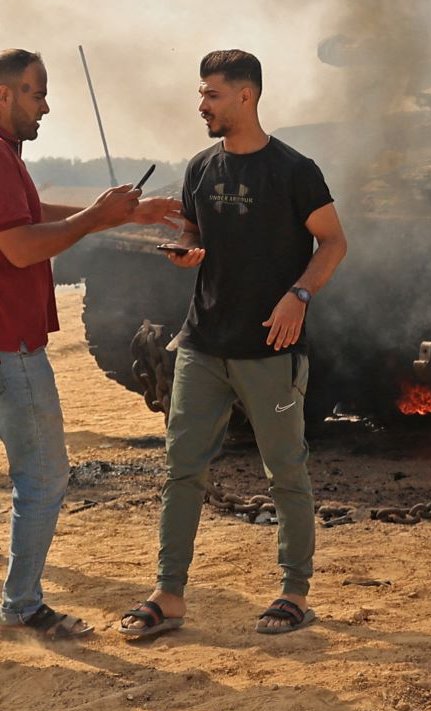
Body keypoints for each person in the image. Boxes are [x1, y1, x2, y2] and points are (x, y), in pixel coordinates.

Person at [119, 50, 347, 641]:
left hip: (271, 348)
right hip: (202, 342)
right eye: (201, 95)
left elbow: (333, 243)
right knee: (181, 470)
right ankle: (169, 595)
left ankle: (294, 592)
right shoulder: (200, 168)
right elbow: (196, 236)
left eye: (211, 95)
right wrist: (186, 252)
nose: (201, 106)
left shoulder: (294, 170)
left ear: (246, 96)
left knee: (286, 473)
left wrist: (298, 295)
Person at [0, 48, 179, 638]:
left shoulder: (8, 156)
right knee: (44, 478)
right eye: (35, 92)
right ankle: (23, 605)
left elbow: (31, 213)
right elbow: (23, 246)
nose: (45, 105)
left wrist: (120, 215)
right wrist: (97, 219)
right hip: (10, 344)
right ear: (4, 94)